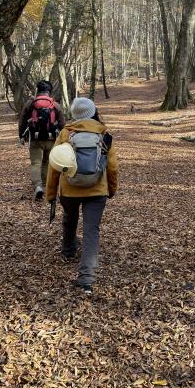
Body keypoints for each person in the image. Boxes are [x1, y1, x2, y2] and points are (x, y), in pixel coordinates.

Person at [46, 97, 118, 295]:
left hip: (69, 189)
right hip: (97, 190)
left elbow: (54, 167)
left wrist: (51, 194)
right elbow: (112, 167)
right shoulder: (104, 133)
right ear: (93, 111)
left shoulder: (65, 133)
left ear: (74, 114)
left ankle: (68, 250)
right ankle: (86, 278)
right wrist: (111, 189)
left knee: (70, 218)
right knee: (91, 230)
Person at [19, 80, 65, 200]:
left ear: (37, 90)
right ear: (49, 91)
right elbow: (61, 123)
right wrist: (64, 138)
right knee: (47, 163)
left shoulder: (31, 103)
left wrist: (21, 136)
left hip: (35, 138)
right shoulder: (55, 105)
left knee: (35, 163)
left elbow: (23, 119)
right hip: (51, 139)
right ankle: (45, 186)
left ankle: (38, 186)